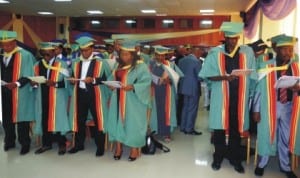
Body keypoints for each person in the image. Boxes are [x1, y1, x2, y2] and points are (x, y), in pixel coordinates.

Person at [199, 22, 257, 173]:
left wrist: (250, 93)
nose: (233, 42)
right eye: (230, 38)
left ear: (238, 37)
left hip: (239, 98)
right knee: (219, 130)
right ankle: (218, 157)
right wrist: (224, 77)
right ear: (225, 37)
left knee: (235, 131)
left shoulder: (247, 52)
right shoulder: (215, 53)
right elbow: (207, 75)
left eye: (235, 38)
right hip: (221, 98)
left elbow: (253, 74)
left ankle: (235, 159)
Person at [253, 35, 299, 178]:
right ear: (277, 50)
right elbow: (259, 90)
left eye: (290, 50)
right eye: (284, 49)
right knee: (266, 135)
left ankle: (285, 166)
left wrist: (297, 88)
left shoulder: (296, 67)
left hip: (289, 107)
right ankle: (262, 164)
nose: (288, 53)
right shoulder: (267, 66)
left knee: (285, 137)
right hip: (269, 107)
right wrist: (256, 109)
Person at [107, 41, 152, 162]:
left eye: (127, 54)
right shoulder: (118, 66)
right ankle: (119, 147)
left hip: (134, 101)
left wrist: (133, 87)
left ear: (133, 55)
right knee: (117, 122)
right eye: (122, 54)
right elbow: (111, 78)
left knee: (133, 124)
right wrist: (110, 85)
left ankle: (134, 148)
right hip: (118, 99)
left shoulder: (140, 66)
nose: (124, 57)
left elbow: (146, 82)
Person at [68, 35, 111, 157]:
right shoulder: (76, 62)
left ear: (92, 49)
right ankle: (78, 144)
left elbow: (106, 79)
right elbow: (73, 75)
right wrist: (72, 80)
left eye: (87, 50)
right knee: (79, 120)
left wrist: (93, 80)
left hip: (95, 94)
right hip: (80, 94)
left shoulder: (101, 62)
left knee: (98, 120)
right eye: (82, 50)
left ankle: (100, 146)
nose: (84, 53)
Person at [0, 30, 35, 155]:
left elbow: (30, 73)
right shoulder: (2, 54)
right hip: (4, 91)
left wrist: (16, 83)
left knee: (22, 120)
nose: (5, 47)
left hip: (21, 92)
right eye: (3, 45)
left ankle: (25, 143)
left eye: (8, 44)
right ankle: (9, 141)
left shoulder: (25, 55)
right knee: (6, 118)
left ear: (15, 42)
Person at [33, 42, 70, 155]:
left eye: (48, 54)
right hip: (42, 96)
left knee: (57, 119)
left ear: (54, 52)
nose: (46, 57)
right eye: (44, 54)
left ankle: (62, 144)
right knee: (44, 119)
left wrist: (55, 84)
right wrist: (33, 83)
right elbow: (35, 81)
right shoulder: (38, 65)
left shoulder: (62, 64)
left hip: (57, 97)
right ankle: (46, 144)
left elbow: (67, 82)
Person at [149, 46, 184, 142]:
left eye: (162, 56)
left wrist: (170, 81)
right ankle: (154, 131)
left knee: (166, 112)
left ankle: (166, 133)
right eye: (158, 55)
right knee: (154, 112)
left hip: (166, 92)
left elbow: (178, 77)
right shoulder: (150, 65)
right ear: (155, 55)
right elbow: (145, 78)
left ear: (165, 55)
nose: (160, 58)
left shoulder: (170, 65)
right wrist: (150, 82)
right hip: (154, 91)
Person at [178, 47, 202, 135]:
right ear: (197, 52)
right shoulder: (197, 62)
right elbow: (200, 76)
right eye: (200, 53)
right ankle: (189, 129)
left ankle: (183, 127)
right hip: (193, 88)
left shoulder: (182, 60)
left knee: (185, 107)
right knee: (192, 109)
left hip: (183, 87)